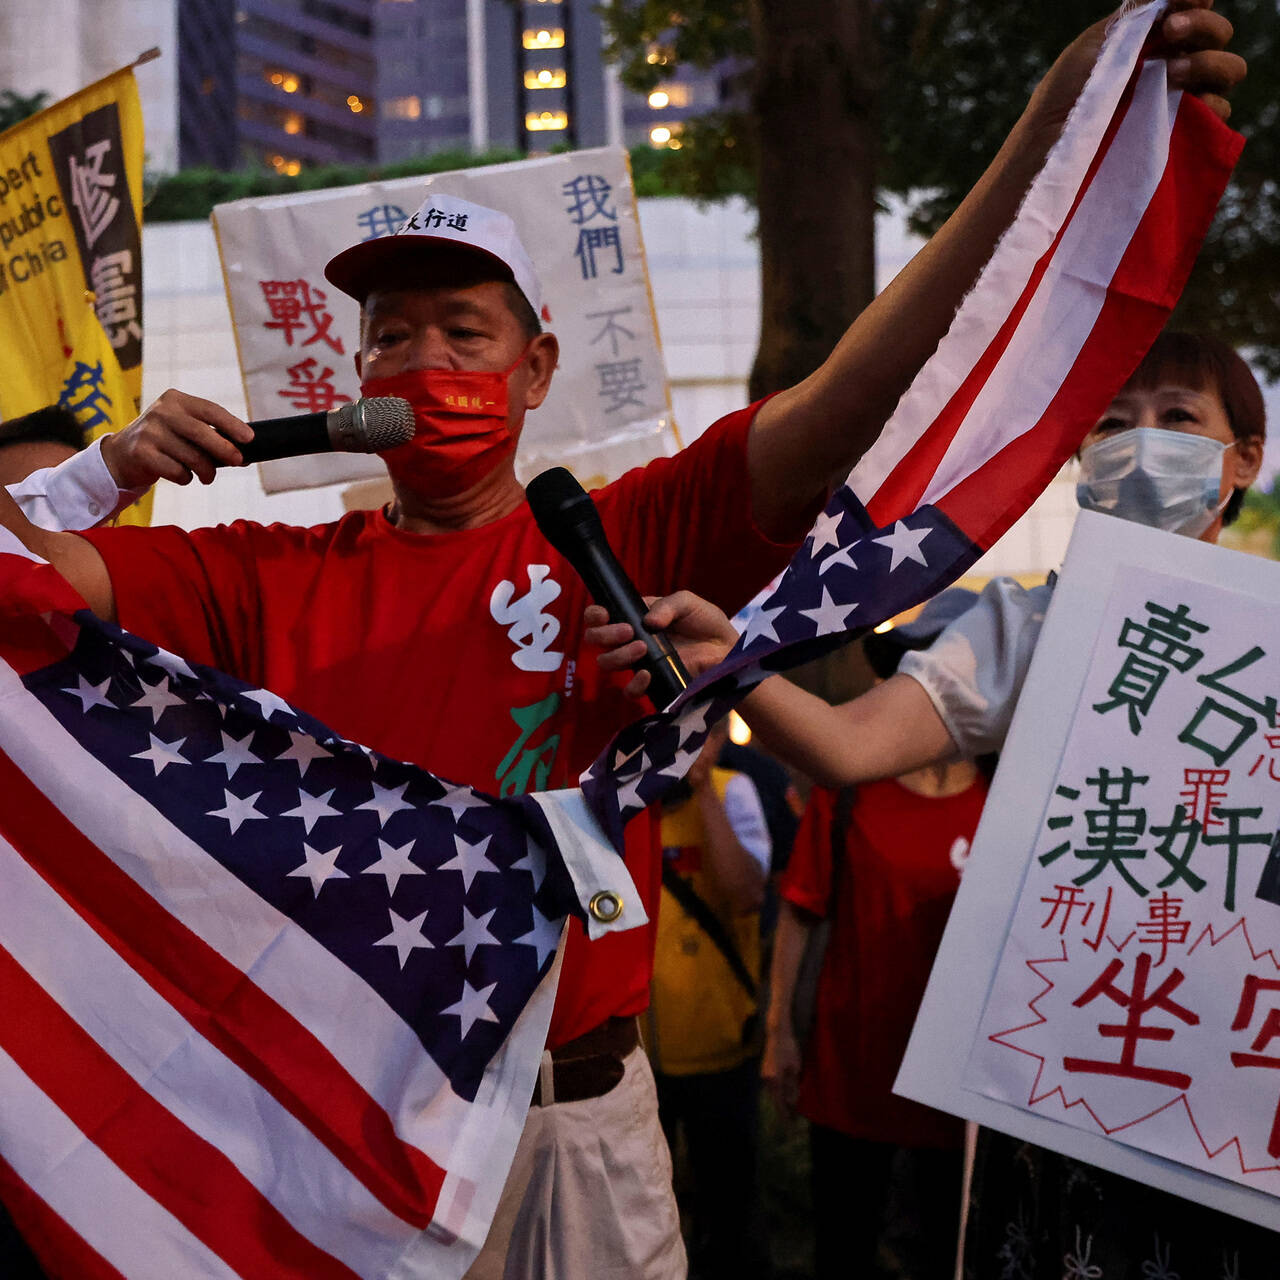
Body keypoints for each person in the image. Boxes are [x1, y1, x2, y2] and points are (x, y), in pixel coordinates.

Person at [0, 8, 1246, 1273]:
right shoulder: (249, 578)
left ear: (536, 366)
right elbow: (19, 590)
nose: (420, 362)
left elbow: (848, 399)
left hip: (585, 1122)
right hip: (359, 1142)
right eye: (388, 336)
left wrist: (1045, 135)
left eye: (462, 333)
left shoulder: (629, 531)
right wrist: (88, 479)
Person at [587, 330, 1272, 1275]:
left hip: (1237, 1071)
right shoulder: (1031, 624)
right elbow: (850, 743)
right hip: (1071, 1063)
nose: (1141, 443)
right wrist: (728, 658)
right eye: (1113, 423)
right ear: (1076, 455)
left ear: (1246, 458)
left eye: (1179, 418)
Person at [764, 592, 989, 1280]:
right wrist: (780, 1034)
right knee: (846, 1246)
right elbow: (800, 914)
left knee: (945, 1252)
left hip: (959, 1086)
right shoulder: (852, 785)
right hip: (852, 1069)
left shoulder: (1013, 795)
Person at [649, 721, 771, 1280]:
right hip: (641, 1059)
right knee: (650, 1213)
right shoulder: (628, 805)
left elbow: (745, 893)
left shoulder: (732, 792)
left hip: (721, 1045)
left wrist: (702, 789)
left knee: (729, 1211)